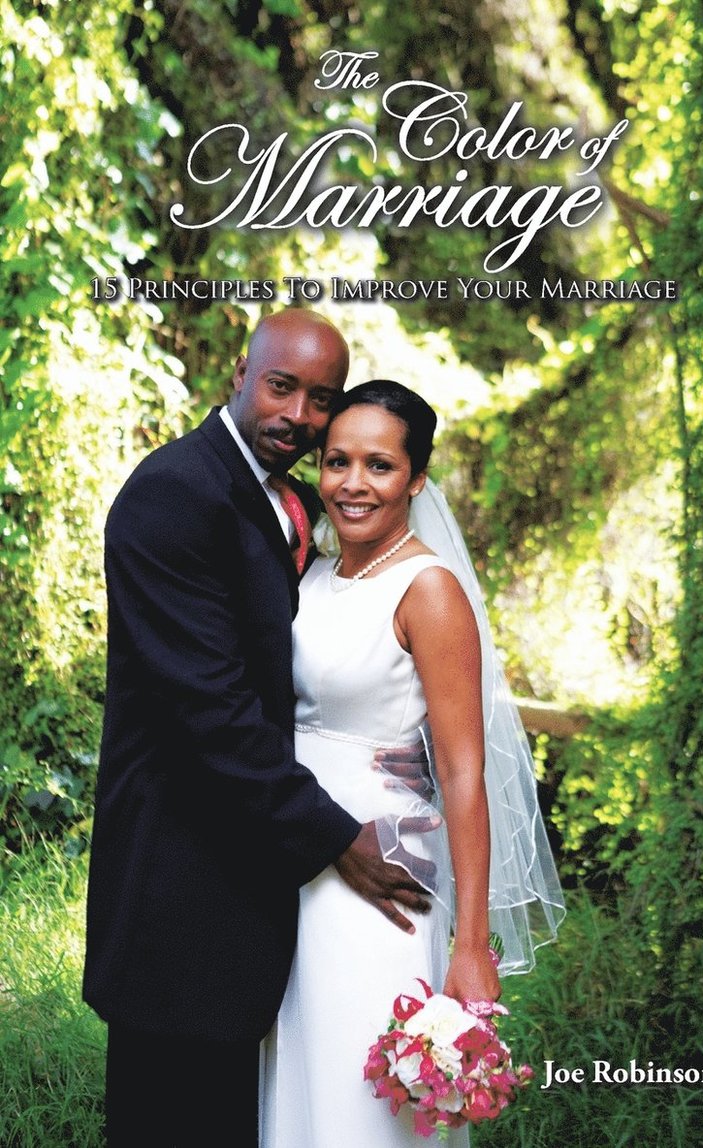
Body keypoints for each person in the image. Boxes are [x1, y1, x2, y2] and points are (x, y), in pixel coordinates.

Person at [82, 312, 434, 1148]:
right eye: (282, 387)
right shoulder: (174, 492)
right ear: (241, 375)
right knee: (170, 1116)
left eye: (322, 399)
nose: (299, 416)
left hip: (252, 879)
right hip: (177, 877)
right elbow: (208, 709)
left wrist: (390, 741)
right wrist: (337, 836)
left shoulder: (297, 503)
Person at [259, 380, 565, 1147]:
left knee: (361, 1101)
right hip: (298, 856)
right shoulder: (315, 573)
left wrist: (471, 945)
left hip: (380, 874)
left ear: (417, 479)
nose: (352, 483)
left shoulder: (427, 591)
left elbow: (462, 771)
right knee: (300, 1082)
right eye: (337, 461)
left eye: (380, 465)